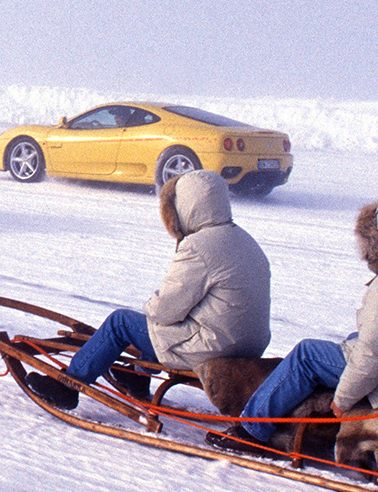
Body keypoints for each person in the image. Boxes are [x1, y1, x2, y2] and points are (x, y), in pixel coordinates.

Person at [210, 195, 378, 454]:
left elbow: (374, 357)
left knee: (307, 355)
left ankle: (250, 430)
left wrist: (343, 399)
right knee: (355, 337)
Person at [26, 169, 271, 410]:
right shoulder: (245, 240)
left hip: (213, 346)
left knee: (121, 322)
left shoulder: (198, 246)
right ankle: (137, 378)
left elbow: (166, 310)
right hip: (249, 345)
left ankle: (69, 385)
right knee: (168, 327)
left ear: (187, 205)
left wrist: (150, 307)